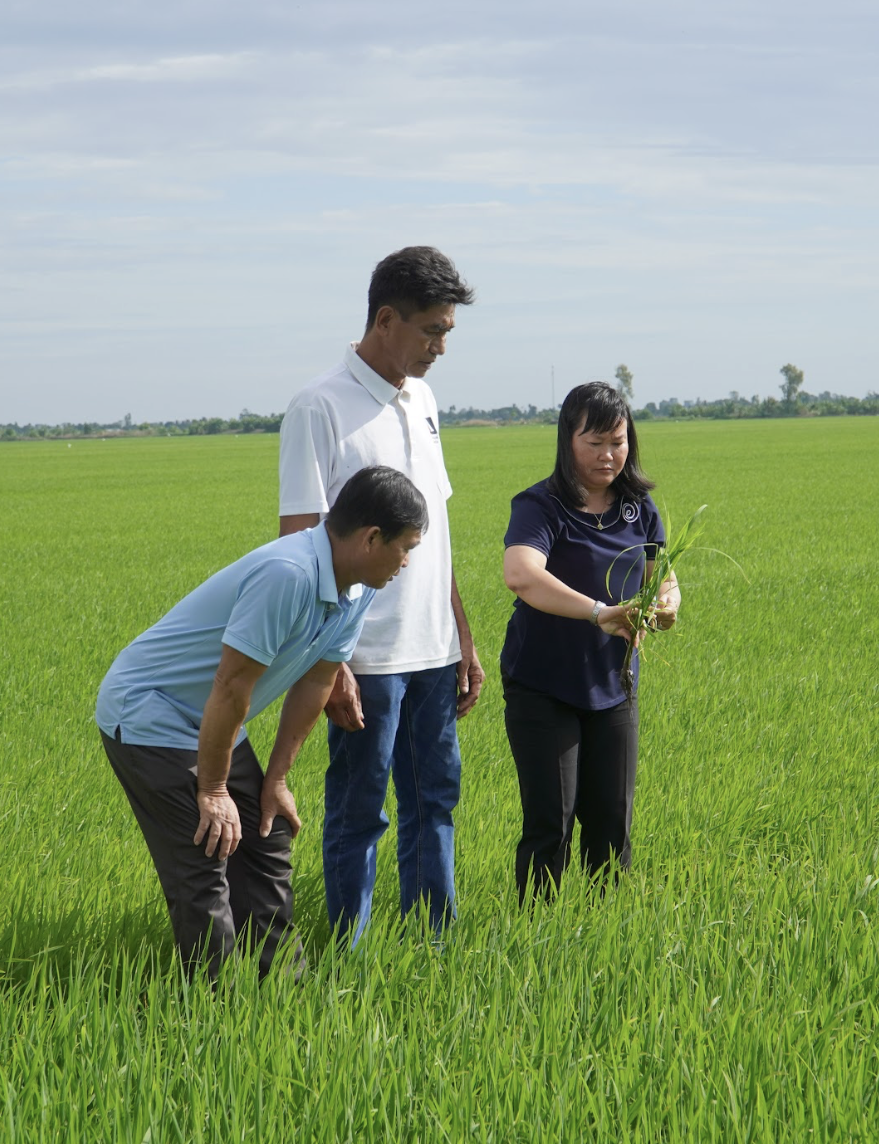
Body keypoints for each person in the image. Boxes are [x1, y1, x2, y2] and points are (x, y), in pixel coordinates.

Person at [96, 466, 427, 980]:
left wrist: (275, 780)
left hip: (211, 715)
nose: (406, 563)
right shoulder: (289, 574)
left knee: (267, 838)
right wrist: (212, 789)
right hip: (149, 713)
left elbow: (318, 680)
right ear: (371, 538)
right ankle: (215, 1011)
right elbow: (230, 685)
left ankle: (285, 991)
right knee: (207, 856)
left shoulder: (358, 588)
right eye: (406, 547)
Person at [277, 246, 480, 941]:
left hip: (432, 650)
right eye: (432, 330)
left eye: (448, 332)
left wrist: (463, 638)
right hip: (361, 657)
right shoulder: (318, 407)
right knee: (361, 809)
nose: (441, 347)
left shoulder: (422, 400)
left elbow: (435, 529)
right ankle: (349, 952)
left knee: (436, 802)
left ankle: (433, 940)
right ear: (385, 319)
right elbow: (300, 548)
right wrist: (325, 664)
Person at [499, 381, 681, 900]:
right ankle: (537, 937)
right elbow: (522, 575)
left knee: (611, 825)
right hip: (544, 685)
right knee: (550, 825)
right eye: (594, 442)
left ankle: (604, 934)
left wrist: (667, 605)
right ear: (567, 440)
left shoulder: (637, 507)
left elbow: (661, 577)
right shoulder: (541, 506)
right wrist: (600, 612)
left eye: (617, 442)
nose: (608, 455)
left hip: (614, 685)